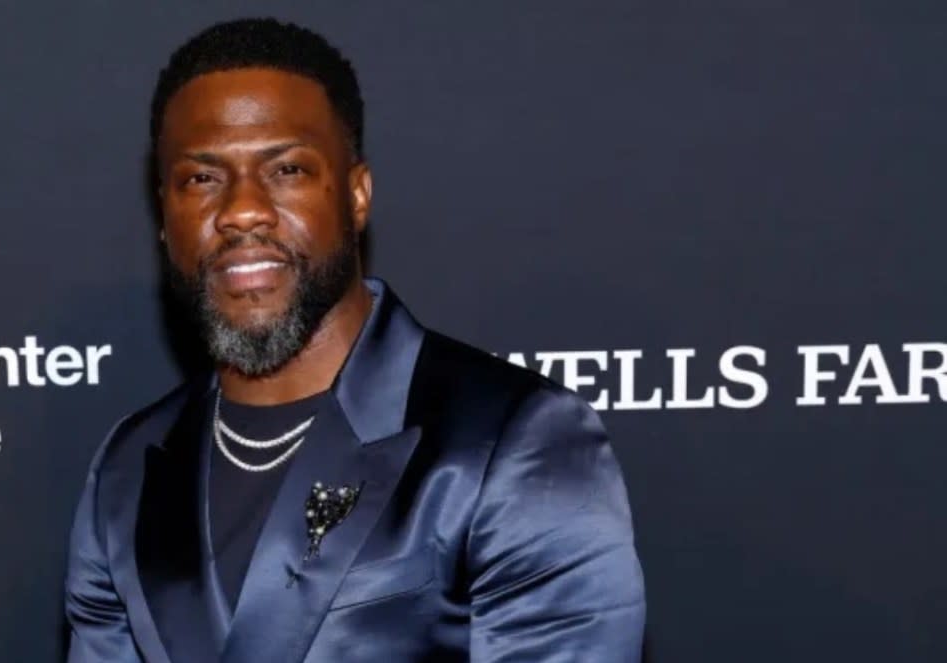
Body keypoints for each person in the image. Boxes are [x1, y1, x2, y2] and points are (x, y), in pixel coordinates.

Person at [65, 17, 645, 663]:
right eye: (202, 179)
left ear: (357, 194)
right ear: (164, 218)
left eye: (285, 168)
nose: (241, 210)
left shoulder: (514, 441)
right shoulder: (129, 468)